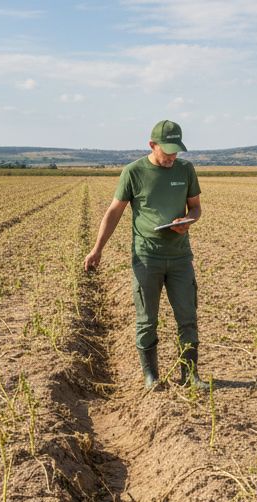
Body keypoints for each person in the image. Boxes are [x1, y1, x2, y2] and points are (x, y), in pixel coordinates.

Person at [85, 120, 204, 389]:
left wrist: (187, 221)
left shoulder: (186, 169)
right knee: (147, 319)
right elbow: (114, 212)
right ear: (152, 145)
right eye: (168, 151)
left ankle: (190, 374)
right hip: (147, 258)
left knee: (187, 316)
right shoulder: (134, 172)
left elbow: (196, 208)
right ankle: (151, 375)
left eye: (177, 151)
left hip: (180, 258)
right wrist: (97, 249)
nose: (173, 157)